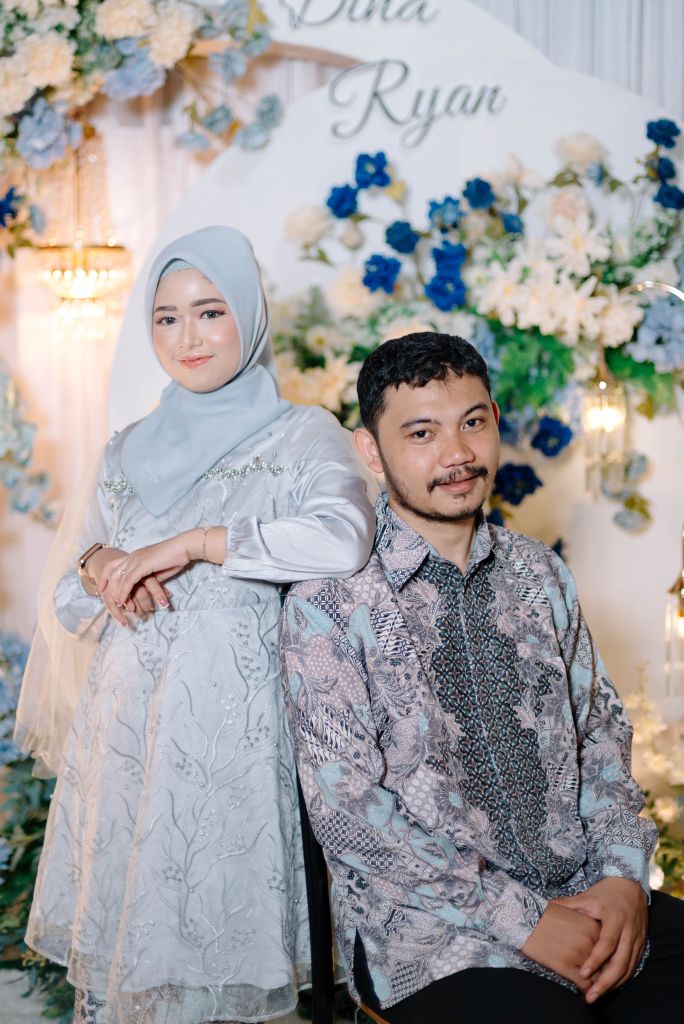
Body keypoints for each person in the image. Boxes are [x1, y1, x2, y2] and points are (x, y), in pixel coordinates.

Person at [15, 226, 375, 1024]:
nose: (188, 338)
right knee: (136, 967)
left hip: (240, 743)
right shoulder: (125, 452)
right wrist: (101, 565)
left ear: (249, 314)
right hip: (129, 742)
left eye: (210, 311)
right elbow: (68, 598)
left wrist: (200, 543)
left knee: (226, 954)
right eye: (167, 318)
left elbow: (345, 539)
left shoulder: (301, 434)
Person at [279, 332, 684, 1024]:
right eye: (422, 433)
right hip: (436, 941)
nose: (457, 454)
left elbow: (601, 738)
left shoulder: (539, 572)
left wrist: (622, 879)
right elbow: (350, 814)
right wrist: (527, 921)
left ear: (495, 420)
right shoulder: (330, 602)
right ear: (370, 451)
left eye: (472, 422)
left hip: (587, 898)